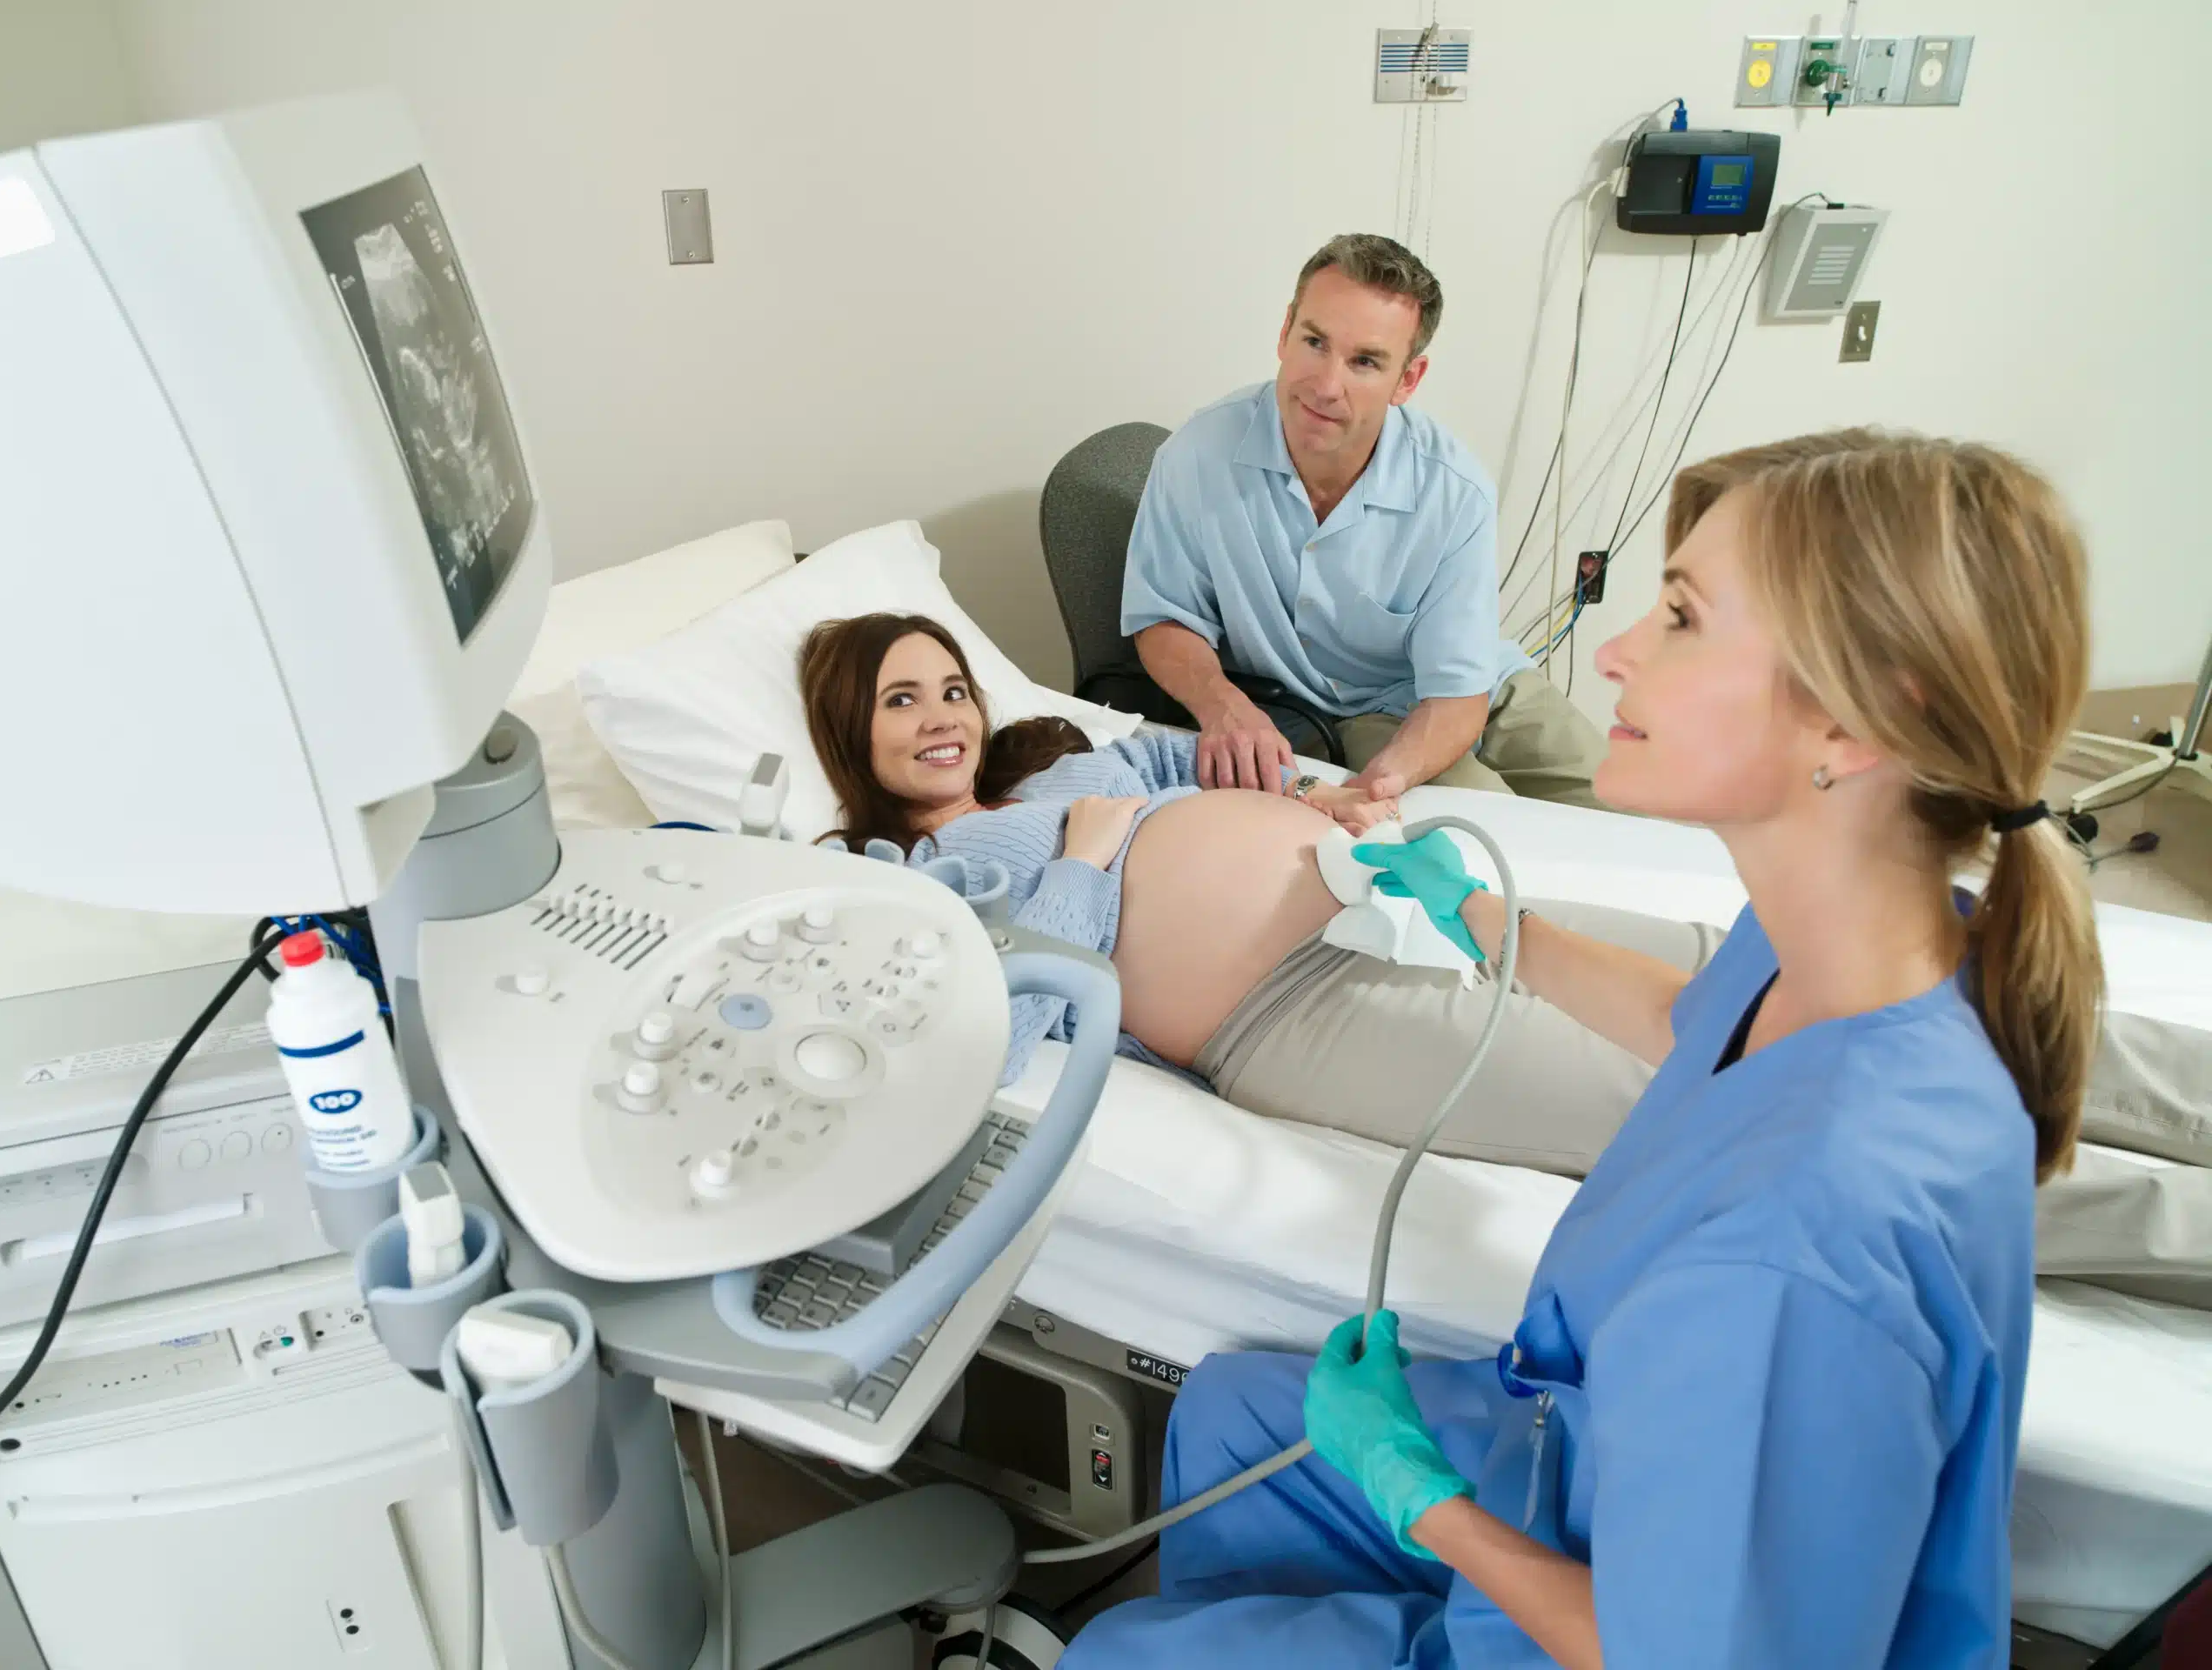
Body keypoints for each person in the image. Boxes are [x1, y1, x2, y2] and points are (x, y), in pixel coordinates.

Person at [1060, 429, 2105, 1668]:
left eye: (1679, 616)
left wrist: (1420, 1498)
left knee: (1109, 1658)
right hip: (1588, 1454)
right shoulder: (1863, 937)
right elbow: (1695, 1020)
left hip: (1628, 1622)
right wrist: (1490, 923)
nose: (1612, 651)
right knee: (1235, 1413)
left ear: (1859, 724)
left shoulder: (1802, 1251)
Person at [798, 610, 1710, 1172]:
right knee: (1659, 1093)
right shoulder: (911, 881)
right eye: (901, 701)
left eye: (953, 688)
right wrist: (1080, 868)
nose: (945, 715)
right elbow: (987, 1042)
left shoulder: (1050, 767)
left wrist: (1305, 793)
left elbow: (1167, 753)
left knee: (1726, 964)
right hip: (1295, 1009)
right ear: (850, 732)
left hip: (1404, 905)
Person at [1117, 232, 1606, 808]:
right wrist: (1225, 707)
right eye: (1315, 342)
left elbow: (1458, 694)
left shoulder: (1454, 490)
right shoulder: (1198, 455)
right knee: (1488, 816)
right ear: (1284, 332)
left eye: (1365, 362)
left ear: (1408, 380)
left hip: (1469, 687)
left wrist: (1387, 780)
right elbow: (1164, 618)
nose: (1326, 386)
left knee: (1642, 808)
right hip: (1350, 712)